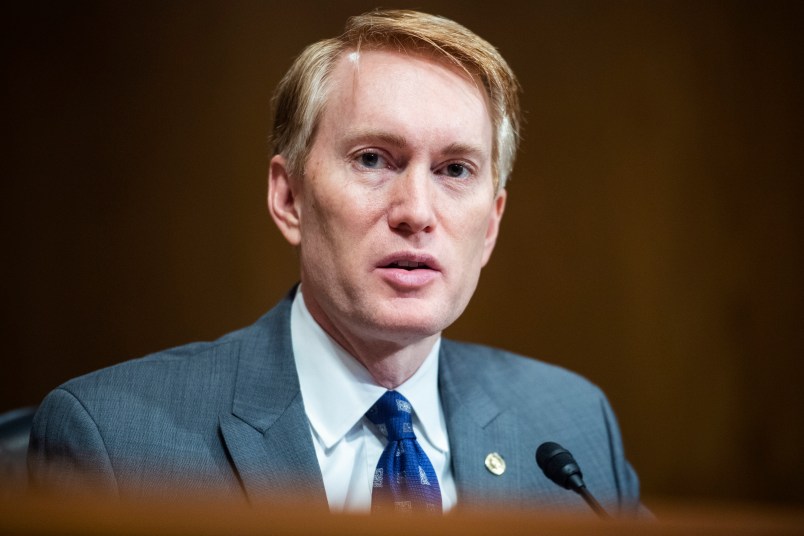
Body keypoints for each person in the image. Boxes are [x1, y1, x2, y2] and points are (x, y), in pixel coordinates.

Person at [28, 9, 642, 516]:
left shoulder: (572, 422)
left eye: (455, 170)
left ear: (492, 225)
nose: (416, 211)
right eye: (374, 159)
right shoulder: (114, 443)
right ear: (288, 197)